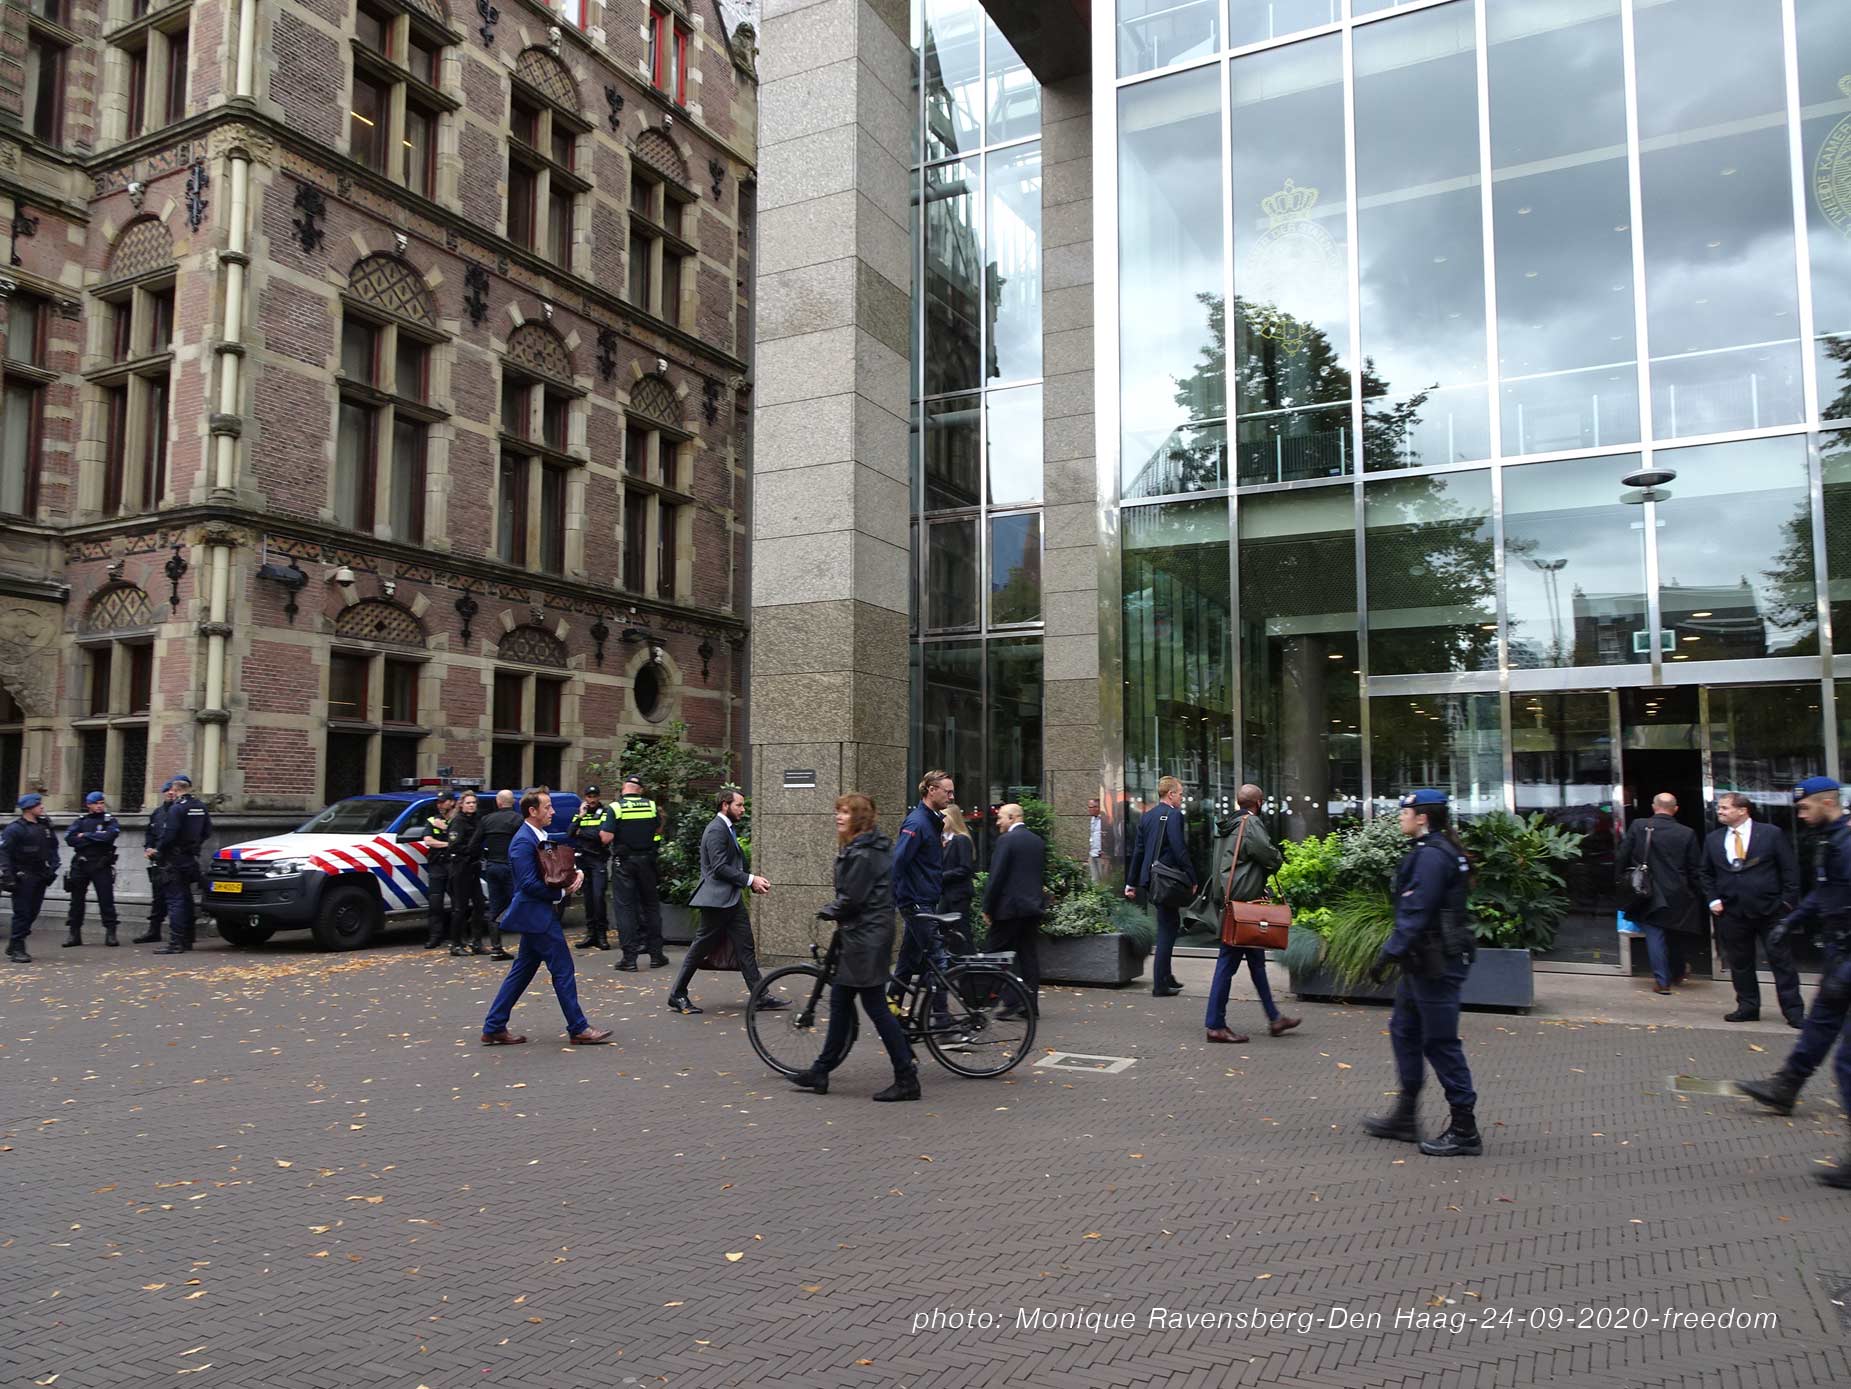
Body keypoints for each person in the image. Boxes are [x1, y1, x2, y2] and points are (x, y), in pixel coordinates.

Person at [1738, 776, 1851, 1188]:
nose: (1800, 815)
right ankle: (1785, 1087)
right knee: (1819, 1025)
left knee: (1847, 1061)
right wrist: (1792, 922)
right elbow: (1826, 894)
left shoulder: (1847, 844)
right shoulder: (1831, 842)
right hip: (1840, 953)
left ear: (1827, 803)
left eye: (1805, 808)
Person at [1362, 789, 1482, 1158]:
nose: (1401, 817)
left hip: (1436, 963)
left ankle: (1465, 1129)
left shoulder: (1432, 855)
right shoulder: (1438, 849)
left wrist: (1388, 954)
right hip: (1425, 962)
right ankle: (1405, 1116)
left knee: (1440, 1042)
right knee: (1405, 1030)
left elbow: (1417, 910)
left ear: (1422, 817)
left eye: (1406, 812)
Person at [789, 794, 920, 1102]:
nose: (838, 817)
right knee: (840, 1002)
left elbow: (853, 899)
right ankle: (821, 1070)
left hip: (865, 939)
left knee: (876, 1009)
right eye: (838, 811)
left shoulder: (862, 853)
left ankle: (907, 1077)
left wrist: (829, 910)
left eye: (845, 812)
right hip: (865, 936)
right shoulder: (870, 847)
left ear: (859, 818)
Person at [480, 789, 612, 1045]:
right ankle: (578, 1028)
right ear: (532, 811)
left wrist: (573, 874)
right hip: (536, 915)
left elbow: (553, 870)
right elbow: (528, 883)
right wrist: (562, 892)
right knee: (563, 968)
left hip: (537, 914)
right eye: (548, 807)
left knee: (522, 971)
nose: (553, 811)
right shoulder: (522, 842)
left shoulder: (540, 836)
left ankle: (494, 1025)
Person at [1191, 784, 1300, 1044]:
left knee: (1256, 963)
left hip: (1234, 904)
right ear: (1259, 803)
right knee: (1226, 965)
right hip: (1245, 907)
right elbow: (1268, 856)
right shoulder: (1250, 824)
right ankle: (1215, 1025)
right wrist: (1277, 859)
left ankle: (1275, 1018)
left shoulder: (1227, 825)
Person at [665, 789, 786, 1014]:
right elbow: (719, 867)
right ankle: (677, 994)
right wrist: (750, 879)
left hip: (730, 899)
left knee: (745, 947)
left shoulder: (726, 828)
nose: (743, 809)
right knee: (700, 948)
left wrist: (749, 882)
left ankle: (760, 995)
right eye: (739, 805)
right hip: (717, 902)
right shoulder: (716, 829)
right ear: (724, 805)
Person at [1700, 791, 1802, 1026]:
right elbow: (1705, 873)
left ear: (1742, 810)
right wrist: (1713, 899)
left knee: (1782, 962)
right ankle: (1748, 1007)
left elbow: (1789, 869)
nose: (1719, 811)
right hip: (1732, 912)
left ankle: (1794, 1011)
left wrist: (1787, 903)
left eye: (1725, 807)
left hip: (1770, 910)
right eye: (1719, 807)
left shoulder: (1770, 834)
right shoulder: (1714, 839)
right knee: (1740, 962)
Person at [1617, 792, 1704, 994]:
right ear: (1676, 809)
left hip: (1647, 889)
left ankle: (1662, 981)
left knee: (1654, 934)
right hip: (1678, 891)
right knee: (1675, 935)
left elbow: (1623, 855)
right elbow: (1694, 867)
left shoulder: (1639, 826)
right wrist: (1697, 892)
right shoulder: (1687, 833)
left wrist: (1620, 881)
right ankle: (1678, 972)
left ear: (1654, 807)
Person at [889, 771, 953, 1022]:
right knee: (938, 960)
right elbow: (898, 862)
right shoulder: (917, 823)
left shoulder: (930, 821)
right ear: (931, 790)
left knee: (908, 961)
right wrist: (895, 899)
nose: (952, 796)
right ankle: (942, 1020)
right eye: (947, 791)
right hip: (917, 902)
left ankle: (891, 1011)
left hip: (921, 899)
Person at [1126, 775, 1192, 997]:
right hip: (1167, 881)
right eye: (1180, 794)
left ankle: (1166, 976)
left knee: (1169, 924)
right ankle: (1160, 984)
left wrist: (1131, 882)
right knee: (1167, 930)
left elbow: (1139, 851)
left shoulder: (1147, 816)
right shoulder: (1174, 815)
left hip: (1151, 879)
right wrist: (1192, 877)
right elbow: (1179, 849)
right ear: (1170, 794)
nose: (1181, 798)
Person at [982, 802, 1045, 1018]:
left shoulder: (1006, 840)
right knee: (1028, 957)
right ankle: (1029, 1006)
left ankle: (1002, 1000)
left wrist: (987, 907)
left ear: (1012, 818)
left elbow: (996, 877)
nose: (997, 822)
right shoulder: (1036, 841)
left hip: (1008, 910)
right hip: (1031, 908)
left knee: (994, 954)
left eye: (1000, 817)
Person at [612, 774, 669, 971]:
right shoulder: (651, 806)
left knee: (625, 908)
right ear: (641, 790)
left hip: (624, 863)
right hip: (647, 862)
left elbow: (605, 836)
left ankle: (629, 959)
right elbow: (658, 830)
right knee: (651, 907)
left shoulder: (616, 807)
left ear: (624, 788)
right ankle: (656, 955)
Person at [153, 773, 211, 955]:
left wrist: (159, 850)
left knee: (175, 901)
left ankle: (176, 942)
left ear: (176, 789)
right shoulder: (200, 806)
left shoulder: (177, 808)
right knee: (186, 898)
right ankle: (187, 939)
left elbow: (169, 834)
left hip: (174, 860)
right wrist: (194, 845)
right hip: (190, 859)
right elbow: (207, 831)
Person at [3, 793, 59, 963]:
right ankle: (18, 948)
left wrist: (53, 867)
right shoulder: (15, 829)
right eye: (38, 805)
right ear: (28, 808)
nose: (42, 807)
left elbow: (53, 848)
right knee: (22, 912)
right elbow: (4, 853)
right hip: (23, 875)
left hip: (40, 874)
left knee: (33, 912)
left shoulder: (45, 826)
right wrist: (7, 875)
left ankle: (14, 942)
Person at [64, 791, 122, 947]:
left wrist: (85, 836)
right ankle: (74, 933)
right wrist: (95, 837)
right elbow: (70, 839)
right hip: (81, 864)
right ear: (88, 805)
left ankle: (110, 932)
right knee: (76, 900)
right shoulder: (81, 820)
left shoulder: (109, 820)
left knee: (106, 899)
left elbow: (109, 837)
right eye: (96, 803)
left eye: (102, 803)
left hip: (101, 864)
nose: (100, 806)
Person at [570, 783, 616, 951]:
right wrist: (580, 816)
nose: (592, 800)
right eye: (589, 797)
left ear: (598, 797)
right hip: (583, 860)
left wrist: (581, 833)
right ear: (585, 798)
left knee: (598, 897)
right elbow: (570, 832)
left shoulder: (605, 813)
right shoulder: (580, 813)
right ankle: (591, 934)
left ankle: (602, 935)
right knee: (588, 899)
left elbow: (600, 836)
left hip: (598, 860)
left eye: (594, 796)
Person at [477, 789, 521, 960]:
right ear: (513, 802)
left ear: (498, 802)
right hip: (511, 867)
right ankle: (529, 946)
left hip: (493, 866)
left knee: (494, 907)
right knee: (519, 904)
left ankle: (496, 948)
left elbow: (475, 843)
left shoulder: (487, 819)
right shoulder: (518, 820)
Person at [134, 780, 178, 944]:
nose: (170, 793)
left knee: (176, 898)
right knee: (158, 897)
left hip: (174, 859)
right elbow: (150, 833)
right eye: (167, 790)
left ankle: (180, 932)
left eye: (173, 790)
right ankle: (154, 930)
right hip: (158, 861)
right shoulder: (157, 813)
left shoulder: (180, 811)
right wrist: (148, 848)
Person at [448, 790, 486, 956]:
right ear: (461, 805)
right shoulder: (458, 822)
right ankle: (456, 944)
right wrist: (469, 850)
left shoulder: (478, 820)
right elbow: (453, 845)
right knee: (460, 907)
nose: (471, 805)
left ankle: (476, 942)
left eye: (474, 803)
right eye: (468, 803)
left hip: (474, 867)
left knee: (479, 905)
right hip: (461, 867)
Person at [420, 790, 459, 950]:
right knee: (435, 903)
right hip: (437, 864)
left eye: (443, 801)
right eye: (438, 802)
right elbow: (428, 841)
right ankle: (435, 937)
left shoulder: (458, 820)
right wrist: (449, 844)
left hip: (454, 864)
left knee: (458, 903)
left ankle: (457, 938)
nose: (439, 805)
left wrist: (445, 830)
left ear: (452, 802)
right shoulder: (432, 820)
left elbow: (462, 840)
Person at [937, 803, 975, 954]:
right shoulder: (946, 841)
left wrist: (942, 876)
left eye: (943, 818)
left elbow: (964, 868)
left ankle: (968, 961)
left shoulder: (961, 840)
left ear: (951, 819)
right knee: (946, 928)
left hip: (958, 895)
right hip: (948, 894)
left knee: (961, 930)